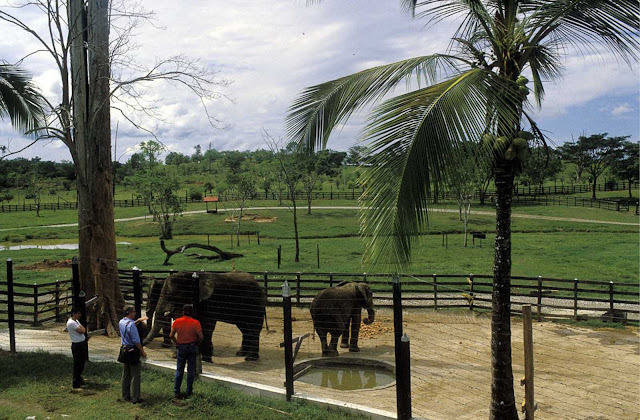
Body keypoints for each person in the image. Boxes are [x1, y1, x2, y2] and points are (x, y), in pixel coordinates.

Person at [169, 304, 203, 398]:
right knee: (191, 370)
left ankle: (176, 391)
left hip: (181, 346)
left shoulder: (177, 322)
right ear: (192, 312)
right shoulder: (196, 322)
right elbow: (201, 337)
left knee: (179, 370)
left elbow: (171, 335)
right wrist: (196, 343)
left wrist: (177, 343)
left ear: (182, 312)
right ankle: (189, 391)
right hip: (192, 346)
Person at [119, 306, 147, 404]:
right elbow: (136, 341)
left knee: (126, 374)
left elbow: (128, 326)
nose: (135, 313)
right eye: (134, 312)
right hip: (133, 351)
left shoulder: (121, 322)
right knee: (135, 375)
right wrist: (142, 351)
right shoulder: (132, 325)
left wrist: (137, 321)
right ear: (130, 312)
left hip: (124, 350)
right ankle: (136, 397)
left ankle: (125, 395)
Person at [66, 308, 87, 389]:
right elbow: (82, 331)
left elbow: (83, 329)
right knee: (77, 364)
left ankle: (79, 378)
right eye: (78, 314)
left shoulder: (76, 321)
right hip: (77, 345)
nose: (79, 315)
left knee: (82, 363)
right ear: (73, 314)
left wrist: (82, 329)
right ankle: (75, 382)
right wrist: (82, 329)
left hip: (81, 344)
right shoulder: (71, 323)